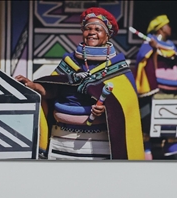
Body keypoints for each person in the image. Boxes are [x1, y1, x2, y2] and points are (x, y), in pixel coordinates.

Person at [15, 7, 143, 160]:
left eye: (98, 29)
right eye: (88, 28)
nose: (92, 32)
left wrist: (106, 109)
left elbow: (125, 106)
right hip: (60, 142)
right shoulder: (69, 62)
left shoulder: (118, 68)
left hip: (98, 145)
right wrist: (34, 86)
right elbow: (53, 90)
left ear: (107, 35)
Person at [133, 15, 177, 159]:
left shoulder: (170, 44)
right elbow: (143, 60)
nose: (170, 28)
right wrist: (154, 49)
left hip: (174, 90)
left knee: (172, 128)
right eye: (168, 25)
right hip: (153, 89)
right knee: (147, 125)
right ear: (160, 28)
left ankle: (173, 153)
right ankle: (146, 154)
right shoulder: (149, 42)